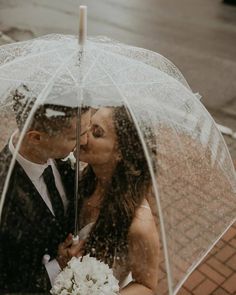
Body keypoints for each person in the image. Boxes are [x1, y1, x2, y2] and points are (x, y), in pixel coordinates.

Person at [0, 84, 90, 293]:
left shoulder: (61, 160)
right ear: (36, 138)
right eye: (74, 136)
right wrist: (57, 266)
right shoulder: (4, 197)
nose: (84, 141)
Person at [74, 106, 160, 294]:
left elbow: (146, 286)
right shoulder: (80, 179)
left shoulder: (139, 226)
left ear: (121, 151)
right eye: (88, 125)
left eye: (97, 132)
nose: (83, 135)